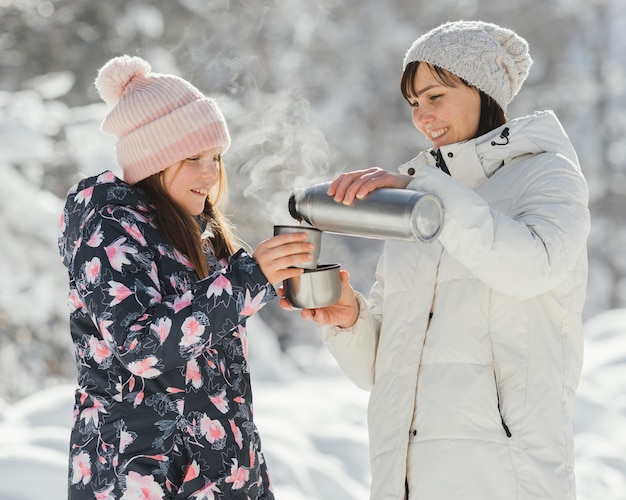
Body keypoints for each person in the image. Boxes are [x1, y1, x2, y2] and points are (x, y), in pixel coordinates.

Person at [281, 20, 590, 499]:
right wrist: (350, 319)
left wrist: (425, 192)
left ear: (482, 90)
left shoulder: (546, 174)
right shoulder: (421, 198)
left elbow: (531, 269)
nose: (423, 117)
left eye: (435, 96)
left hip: (504, 479)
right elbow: (384, 373)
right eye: (413, 104)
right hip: (405, 481)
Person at [58, 55, 314, 499]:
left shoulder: (195, 228)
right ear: (154, 161)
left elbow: (208, 362)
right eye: (192, 158)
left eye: (215, 157)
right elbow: (140, 348)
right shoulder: (108, 227)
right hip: (143, 475)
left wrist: (270, 288)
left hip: (221, 470)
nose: (210, 173)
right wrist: (246, 281)